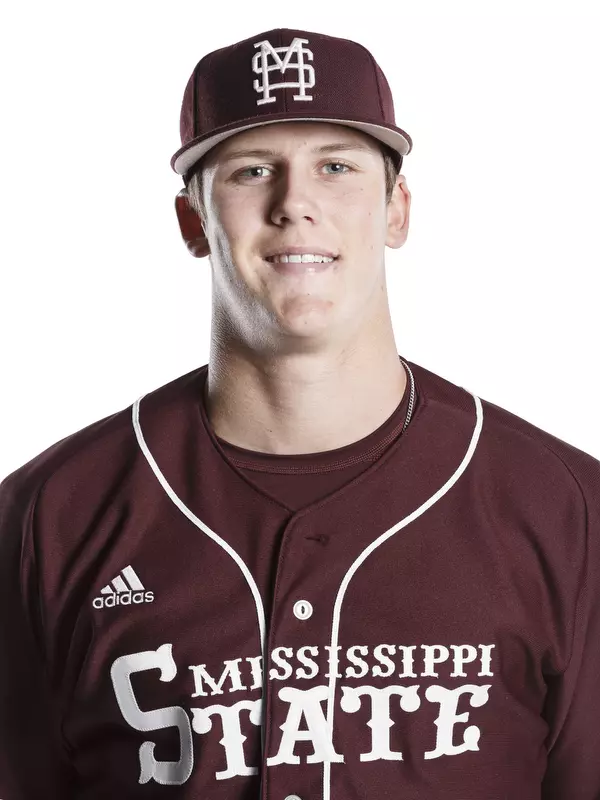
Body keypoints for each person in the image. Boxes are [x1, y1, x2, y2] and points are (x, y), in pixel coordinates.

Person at [0, 26, 598, 800]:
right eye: (253, 170)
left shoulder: (568, 511)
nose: (295, 205)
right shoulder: (43, 522)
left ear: (396, 210)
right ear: (192, 221)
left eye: (337, 167)